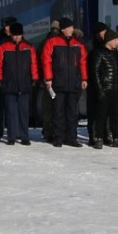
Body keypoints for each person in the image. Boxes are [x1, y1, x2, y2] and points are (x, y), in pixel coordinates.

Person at [41, 17, 88, 146]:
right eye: (70, 27)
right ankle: (58, 138)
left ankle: (71, 138)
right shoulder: (52, 42)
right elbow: (46, 61)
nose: (72, 29)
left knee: (73, 113)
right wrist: (49, 79)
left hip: (74, 83)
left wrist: (84, 78)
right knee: (58, 112)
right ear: (64, 29)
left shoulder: (78, 44)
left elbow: (83, 62)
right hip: (58, 83)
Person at [0, 21, 38, 146]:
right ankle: (11, 136)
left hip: (24, 83)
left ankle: (24, 136)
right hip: (9, 84)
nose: (17, 37)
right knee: (11, 112)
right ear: (10, 35)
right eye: (14, 35)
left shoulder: (29, 47)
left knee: (24, 112)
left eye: (19, 35)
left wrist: (34, 78)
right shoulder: (2, 47)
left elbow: (33, 64)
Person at [90, 31, 118, 148]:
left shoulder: (116, 54)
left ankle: (116, 138)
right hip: (104, 89)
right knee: (101, 115)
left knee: (115, 116)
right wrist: (99, 89)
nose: (117, 42)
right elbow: (95, 72)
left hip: (116, 89)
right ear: (109, 41)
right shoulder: (99, 53)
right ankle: (99, 138)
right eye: (115, 40)